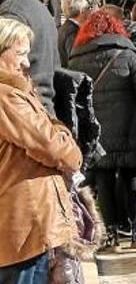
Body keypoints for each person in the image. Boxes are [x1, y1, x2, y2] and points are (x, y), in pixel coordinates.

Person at [68, 9, 136, 251]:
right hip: (129, 125)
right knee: (132, 176)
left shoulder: (76, 58)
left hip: (97, 132)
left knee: (104, 179)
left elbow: (73, 100)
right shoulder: (128, 53)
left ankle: (110, 236)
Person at [0, 17, 82, 282]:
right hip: (25, 232)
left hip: (26, 230)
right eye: (21, 54)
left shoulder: (15, 91)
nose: (26, 62)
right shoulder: (7, 96)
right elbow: (56, 149)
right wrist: (65, 138)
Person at [0, 0, 59, 115]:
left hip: (27, 112)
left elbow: (8, 73)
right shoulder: (30, 4)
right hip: (39, 108)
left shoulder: (10, 13)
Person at [58, 0, 94, 68]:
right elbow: (73, 58)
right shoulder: (72, 31)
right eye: (88, 8)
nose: (90, 11)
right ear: (82, 11)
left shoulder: (65, 27)